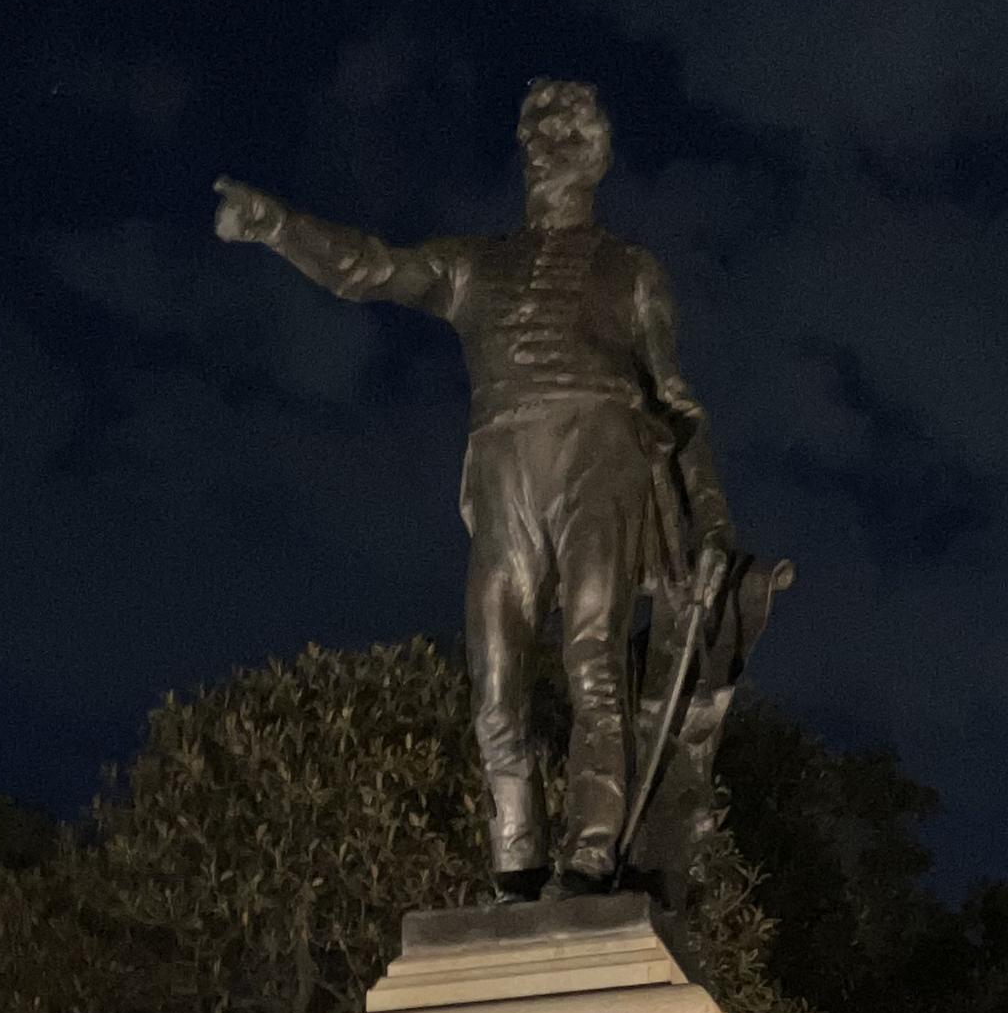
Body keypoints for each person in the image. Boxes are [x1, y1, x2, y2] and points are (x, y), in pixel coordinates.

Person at [214, 79, 739, 896]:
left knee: (593, 659)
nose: (542, 151)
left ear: (594, 157)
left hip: (601, 451)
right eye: (534, 136)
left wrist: (711, 519)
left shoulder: (632, 271)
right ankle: (517, 859)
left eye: (562, 137)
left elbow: (677, 402)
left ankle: (593, 847)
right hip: (503, 467)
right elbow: (369, 267)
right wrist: (278, 226)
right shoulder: (473, 265)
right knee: (494, 679)